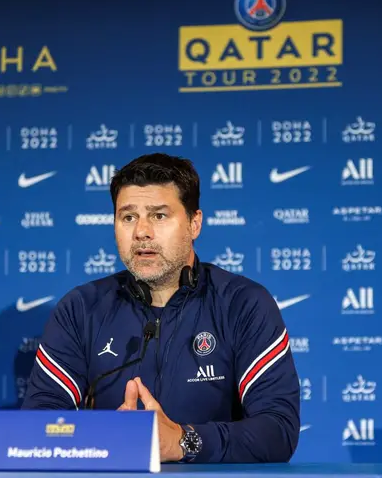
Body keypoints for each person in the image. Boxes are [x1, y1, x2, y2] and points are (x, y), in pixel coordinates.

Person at [21, 153, 302, 463]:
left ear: (195, 224)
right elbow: (38, 427)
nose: (141, 231)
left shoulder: (243, 304)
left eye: (158, 216)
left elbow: (278, 430)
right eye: (128, 217)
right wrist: (104, 435)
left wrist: (183, 441)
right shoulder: (81, 309)